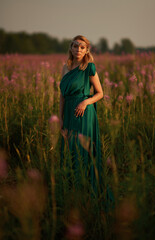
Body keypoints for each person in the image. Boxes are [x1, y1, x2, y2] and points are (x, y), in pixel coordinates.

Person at [59, 35, 106, 198]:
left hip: (84, 113)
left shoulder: (89, 67)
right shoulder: (66, 67)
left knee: (82, 149)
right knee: (70, 150)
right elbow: (62, 96)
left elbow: (100, 93)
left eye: (82, 47)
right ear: (70, 48)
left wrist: (86, 102)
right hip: (69, 113)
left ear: (86, 50)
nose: (78, 49)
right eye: (75, 46)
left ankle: (87, 191)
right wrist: (60, 119)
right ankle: (72, 190)